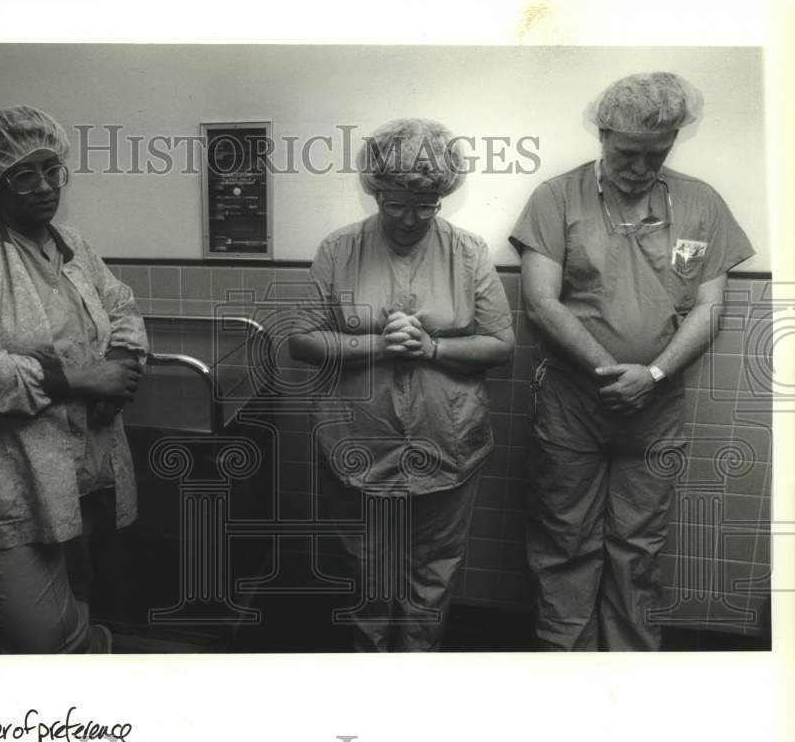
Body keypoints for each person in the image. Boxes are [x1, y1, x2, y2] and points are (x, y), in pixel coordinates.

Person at [509, 73, 755, 651]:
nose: (641, 167)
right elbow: (542, 302)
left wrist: (653, 375)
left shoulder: (701, 202)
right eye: (627, 152)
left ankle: (629, 673)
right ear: (602, 134)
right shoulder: (556, 197)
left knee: (638, 543)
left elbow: (711, 306)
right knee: (565, 538)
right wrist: (608, 373)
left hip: (657, 404)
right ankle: (563, 662)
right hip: (573, 401)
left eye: (657, 153)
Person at [0, 105, 149, 653]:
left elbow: (122, 307)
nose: (44, 186)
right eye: (24, 174)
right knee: (40, 635)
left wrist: (121, 357)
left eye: (52, 170)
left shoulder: (71, 245)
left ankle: (86, 708)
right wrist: (85, 380)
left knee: (78, 593)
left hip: (77, 470)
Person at [289, 119, 515, 651]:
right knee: (367, 572)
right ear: (374, 191)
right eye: (395, 204)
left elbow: (501, 346)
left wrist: (432, 348)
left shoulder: (469, 252)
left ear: (443, 198)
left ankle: (417, 670)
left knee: (433, 573)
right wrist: (379, 345)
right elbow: (301, 341)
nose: (410, 218)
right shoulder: (339, 250)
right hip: (359, 448)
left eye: (426, 205)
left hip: (447, 446)